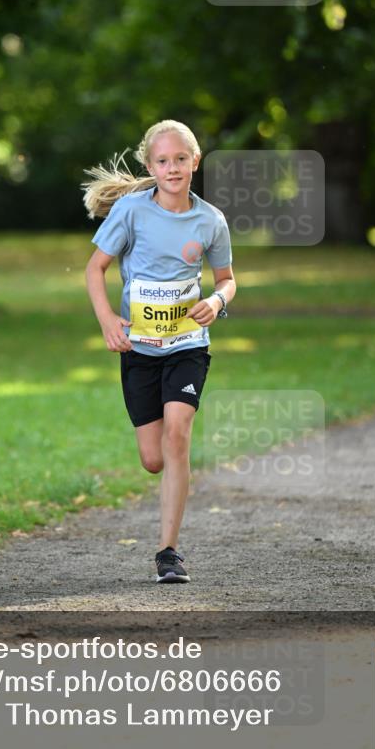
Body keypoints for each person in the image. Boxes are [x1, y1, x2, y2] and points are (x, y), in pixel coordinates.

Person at [82, 120, 236, 583]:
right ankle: (171, 478)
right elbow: (95, 269)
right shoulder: (131, 211)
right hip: (141, 348)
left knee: (178, 434)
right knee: (153, 459)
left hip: (188, 344)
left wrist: (216, 301)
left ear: (195, 161)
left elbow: (227, 279)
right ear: (150, 166)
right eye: (163, 161)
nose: (173, 168)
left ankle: (168, 553)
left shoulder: (210, 220)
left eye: (181, 159)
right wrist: (108, 320)